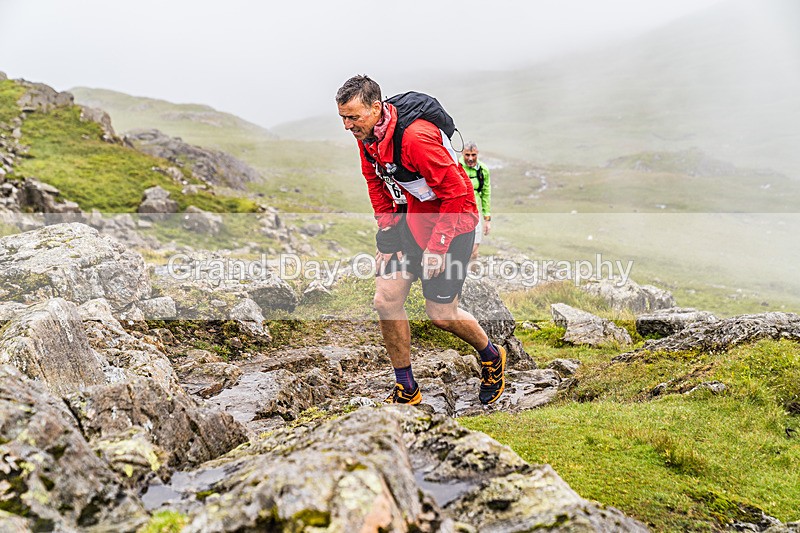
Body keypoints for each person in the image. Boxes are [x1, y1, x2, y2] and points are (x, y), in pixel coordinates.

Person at [335, 74, 507, 405]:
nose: (347, 126)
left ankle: (491, 355)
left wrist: (437, 248)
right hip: (410, 220)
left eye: (352, 117)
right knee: (385, 300)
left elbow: (458, 193)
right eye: (343, 118)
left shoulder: (416, 139)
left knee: (441, 315)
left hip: (453, 222)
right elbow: (376, 184)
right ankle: (407, 389)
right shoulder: (367, 136)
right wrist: (387, 237)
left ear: (376, 107)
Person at [460, 142, 491, 264]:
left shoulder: (483, 170)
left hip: (475, 214)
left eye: (473, 155)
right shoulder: (457, 167)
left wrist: (487, 219)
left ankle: (472, 275)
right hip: (459, 213)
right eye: (467, 155)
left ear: (477, 154)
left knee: (474, 250)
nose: (470, 158)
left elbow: (486, 194)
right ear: (462, 154)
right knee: (460, 248)